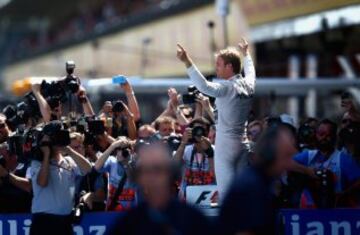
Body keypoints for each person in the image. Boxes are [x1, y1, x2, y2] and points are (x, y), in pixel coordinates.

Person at [177, 38, 256, 199]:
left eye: (219, 64)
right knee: (243, 194)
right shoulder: (249, 84)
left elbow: (204, 86)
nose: (216, 68)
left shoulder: (226, 87)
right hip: (243, 145)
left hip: (226, 147)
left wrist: (187, 61)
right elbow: (251, 71)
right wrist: (246, 54)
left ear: (229, 67)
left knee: (227, 196)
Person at [112, 142, 212, 235]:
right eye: (145, 170)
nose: (152, 176)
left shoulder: (193, 218)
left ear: (170, 173)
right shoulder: (127, 223)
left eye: (158, 169)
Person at [218, 124, 297, 235]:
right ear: (270, 155)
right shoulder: (251, 187)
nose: (290, 163)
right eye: (286, 156)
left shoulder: (260, 181)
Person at [27, 128, 92, 235]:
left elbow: (88, 169)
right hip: (43, 222)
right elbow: (42, 183)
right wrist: (47, 154)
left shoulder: (69, 161)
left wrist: (69, 150)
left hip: (65, 222)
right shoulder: (37, 163)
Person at [293, 119, 360, 208]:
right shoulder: (307, 156)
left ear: (334, 137)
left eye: (329, 135)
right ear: (315, 134)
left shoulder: (343, 159)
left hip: (335, 212)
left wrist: (344, 194)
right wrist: (307, 171)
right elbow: (285, 163)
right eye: (321, 134)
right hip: (308, 212)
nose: (324, 137)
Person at [174, 118, 215, 199]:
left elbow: (216, 175)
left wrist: (209, 152)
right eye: (196, 129)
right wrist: (183, 143)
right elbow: (173, 166)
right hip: (186, 198)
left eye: (202, 129)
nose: (199, 132)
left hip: (210, 198)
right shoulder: (186, 150)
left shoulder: (216, 150)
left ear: (207, 132)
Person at [94, 137, 139, 212]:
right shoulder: (112, 161)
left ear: (130, 150)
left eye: (122, 149)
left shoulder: (136, 162)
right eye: (117, 149)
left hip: (132, 213)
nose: (119, 152)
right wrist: (112, 146)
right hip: (112, 209)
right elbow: (96, 167)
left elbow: (133, 181)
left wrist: (126, 164)